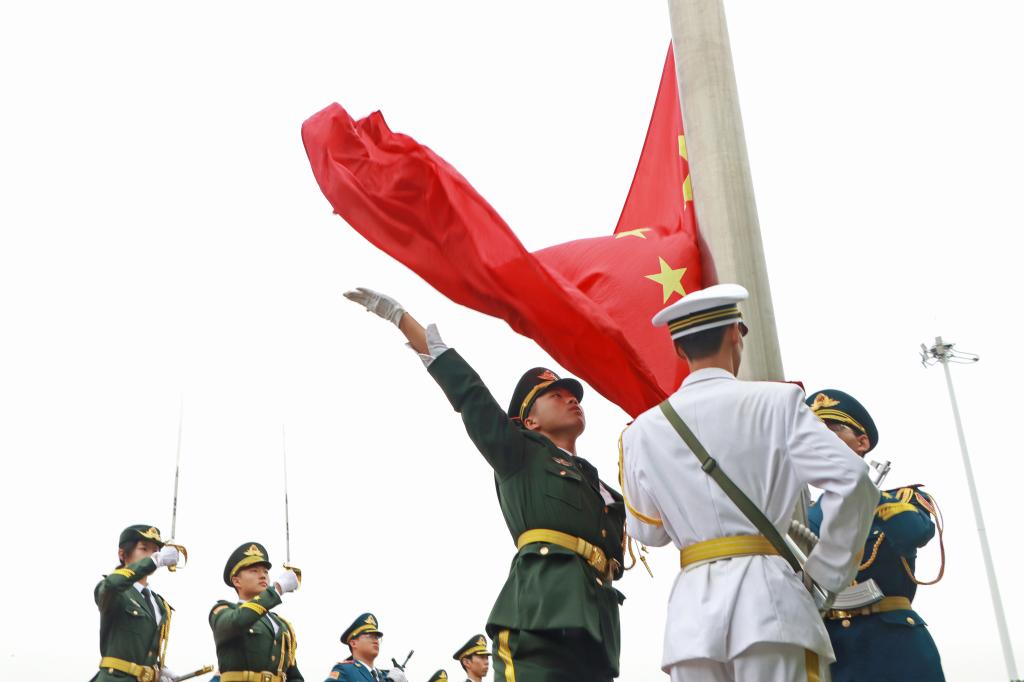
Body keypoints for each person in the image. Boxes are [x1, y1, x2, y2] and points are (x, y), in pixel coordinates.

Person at [345, 288, 626, 681]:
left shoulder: (601, 486)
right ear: (530, 421)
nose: (571, 400)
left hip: (596, 626)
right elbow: (470, 394)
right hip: (539, 615)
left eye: (572, 396)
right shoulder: (518, 452)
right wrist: (402, 319)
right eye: (556, 396)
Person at [620, 284, 878, 682]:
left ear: (679, 350)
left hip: (691, 621)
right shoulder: (779, 403)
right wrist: (827, 569)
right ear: (734, 334)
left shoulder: (640, 432)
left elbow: (649, 533)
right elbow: (853, 479)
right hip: (770, 604)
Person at [806, 389, 946, 681]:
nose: (820, 439)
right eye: (811, 432)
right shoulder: (803, 517)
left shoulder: (901, 498)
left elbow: (914, 532)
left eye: (833, 429)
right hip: (832, 653)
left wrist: (864, 493)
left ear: (862, 442)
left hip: (896, 648)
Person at [93, 525, 181, 682]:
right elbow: (112, 584)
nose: (151, 554)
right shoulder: (114, 591)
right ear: (122, 554)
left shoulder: (158, 603)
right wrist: (154, 561)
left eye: (155, 551)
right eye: (144, 549)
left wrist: (157, 670)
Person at [209, 542, 302, 682]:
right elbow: (236, 622)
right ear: (237, 581)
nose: (263, 576)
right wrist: (277, 589)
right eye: (254, 571)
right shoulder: (223, 610)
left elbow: (293, 676)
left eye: (265, 572)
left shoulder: (282, 625)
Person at [326, 613, 408, 681]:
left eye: (376, 637)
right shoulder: (345, 671)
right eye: (370, 636)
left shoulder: (386, 676)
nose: (375, 641)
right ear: (353, 643)